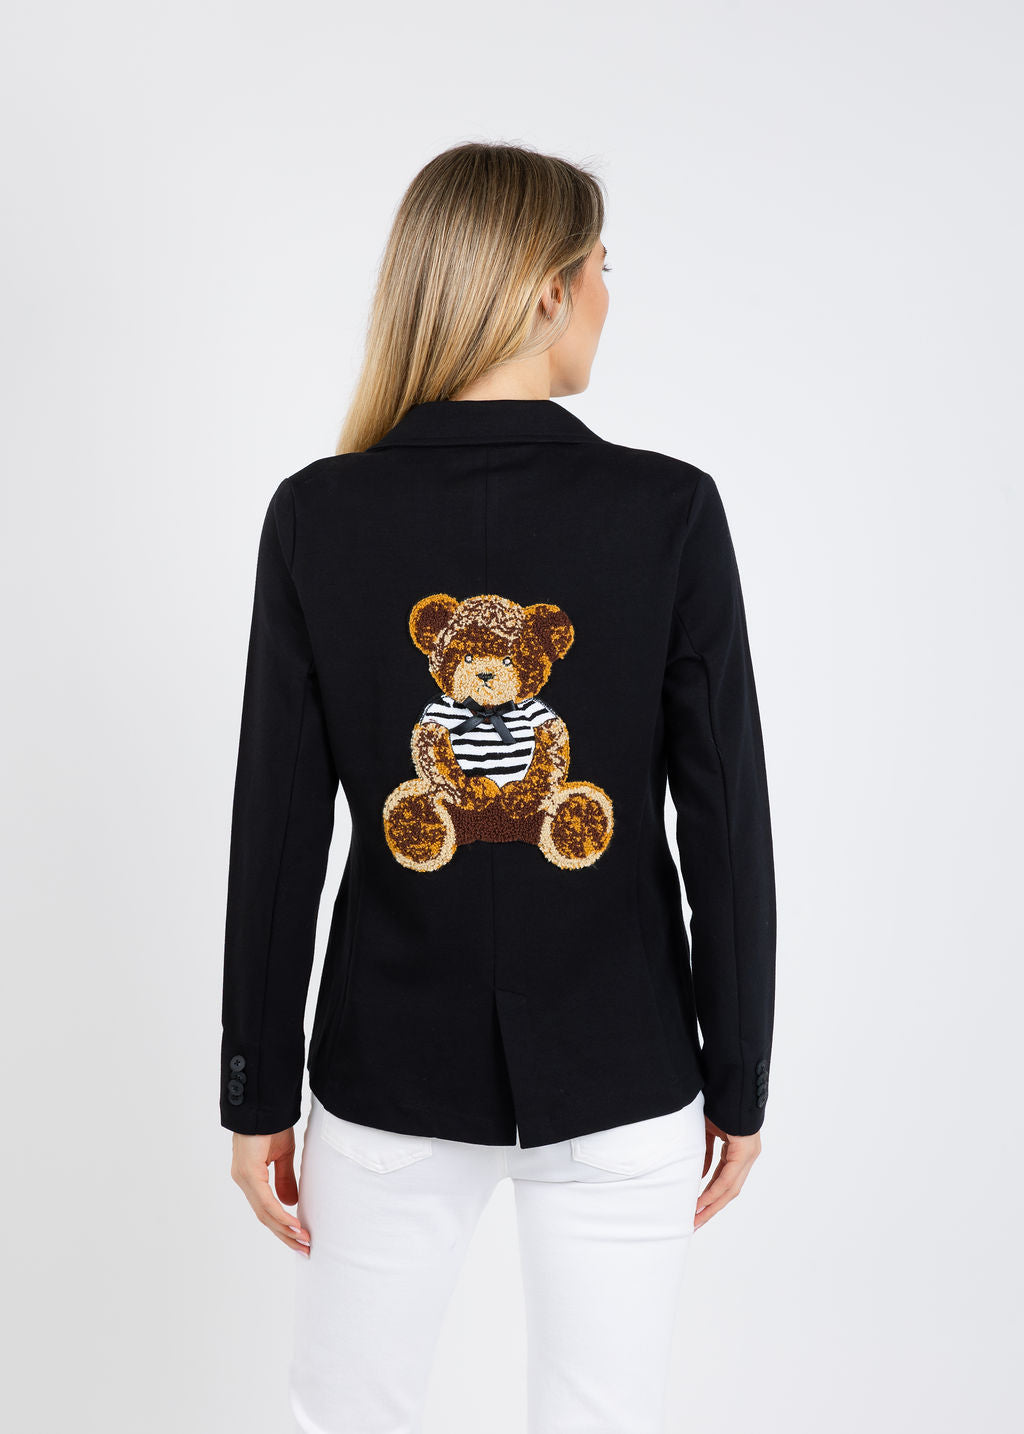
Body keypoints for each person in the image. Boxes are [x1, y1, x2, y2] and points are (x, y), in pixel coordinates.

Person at [220, 140, 776, 1434]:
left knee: (345, 1412)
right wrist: (739, 1076)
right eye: (601, 270)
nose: (607, 299)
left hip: (385, 1063)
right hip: (627, 1058)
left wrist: (257, 1089)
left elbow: (277, 832)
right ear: (545, 287)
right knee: (603, 1415)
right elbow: (728, 829)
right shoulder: (669, 511)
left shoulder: (318, 515)